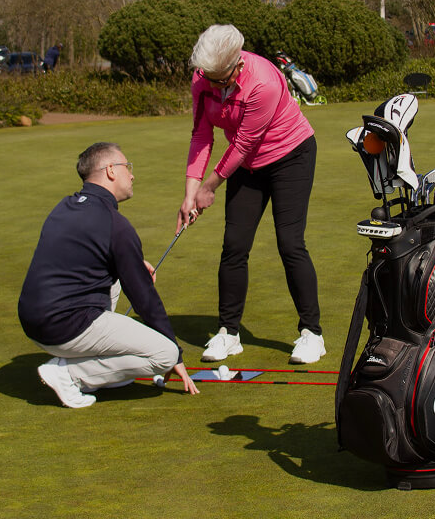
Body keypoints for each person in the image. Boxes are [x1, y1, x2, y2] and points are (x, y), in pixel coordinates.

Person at [178, 25, 324, 365]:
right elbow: (201, 135)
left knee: (290, 243)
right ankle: (229, 333)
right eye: (209, 78)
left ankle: (312, 334)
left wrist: (209, 187)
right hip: (246, 166)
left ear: (237, 64)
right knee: (234, 245)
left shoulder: (265, 82)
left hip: (291, 156)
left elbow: (244, 143)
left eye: (221, 79)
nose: (214, 86)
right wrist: (189, 194)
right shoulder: (203, 80)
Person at [18, 142, 198, 408]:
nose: (132, 175)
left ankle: (93, 364)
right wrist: (176, 355)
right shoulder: (116, 226)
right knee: (164, 354)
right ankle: (69, 374)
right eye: (128, 167)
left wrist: (131, 263)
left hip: (33, 321)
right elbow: (144, 299)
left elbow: (77, 256)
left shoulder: (65, 206)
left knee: (114, 280)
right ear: (111, 170)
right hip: (65, 325)